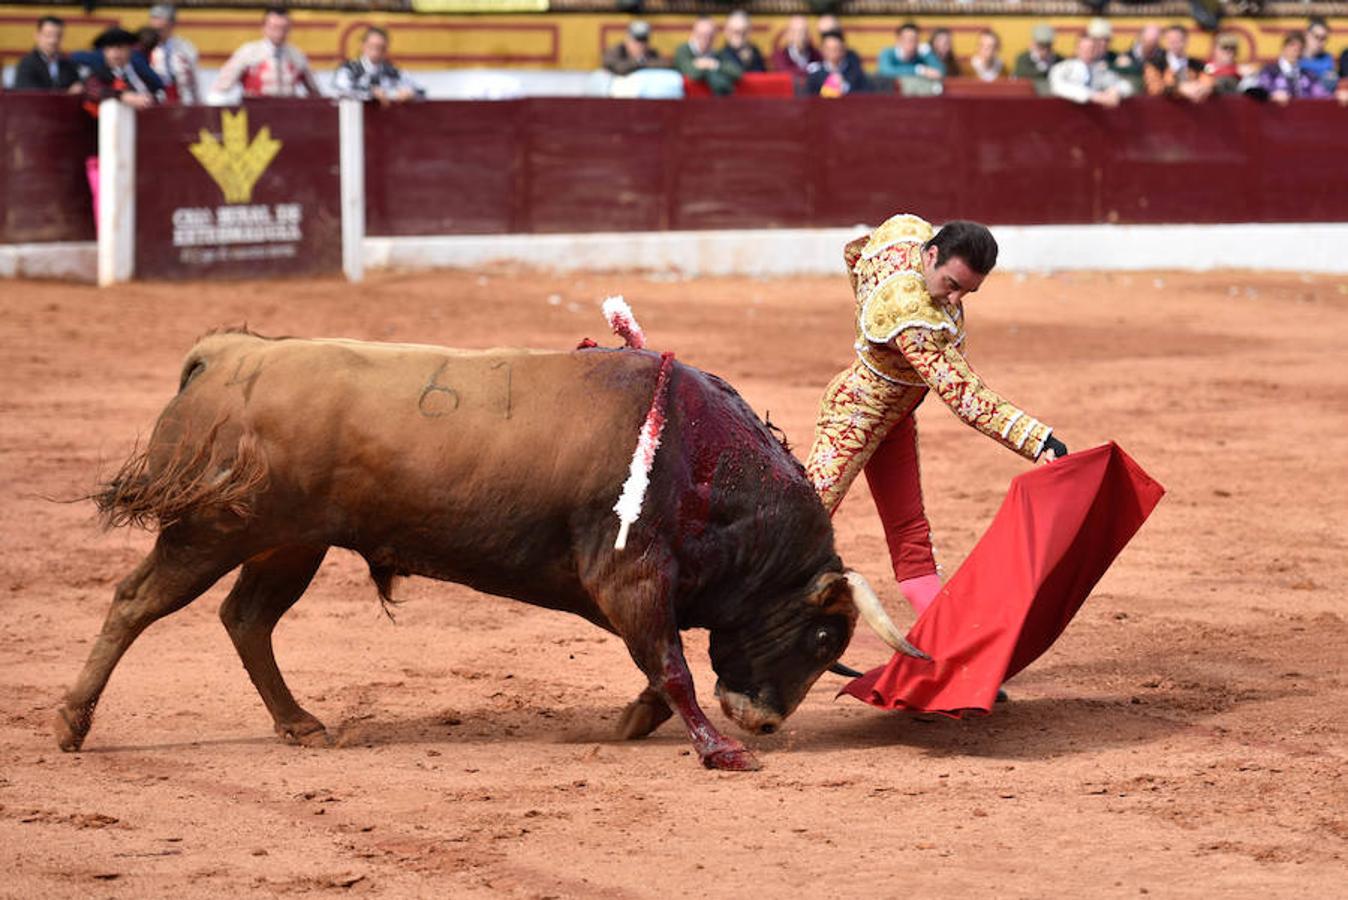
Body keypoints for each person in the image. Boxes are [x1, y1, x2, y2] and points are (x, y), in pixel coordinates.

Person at [804, 213, 1067, 622]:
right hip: (853, 417)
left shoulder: (905, 233)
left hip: (895, 416)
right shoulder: (913, 317)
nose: (955, 300)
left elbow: (856, 253)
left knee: (910, 531)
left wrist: (869, 331)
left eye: (968, 292)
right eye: (952, 284)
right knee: (803, 522)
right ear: (931, 255)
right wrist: (1038, 440)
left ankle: (943, 638)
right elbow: (964, 396)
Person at [213, 7, 322, 99]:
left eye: (284, 28)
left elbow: (315, 92)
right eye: (274, 27)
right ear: (264, 28)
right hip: (256, 111)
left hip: (289, 111)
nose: (279, 33)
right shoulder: (248, 52)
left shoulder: (296, 55)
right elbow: (221, 88)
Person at [333, 26, 423, 103]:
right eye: (371, 47)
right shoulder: (349, 69)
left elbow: (421, 92)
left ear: (386, 49)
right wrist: (371, 93)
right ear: (363, 46)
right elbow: (341, 91)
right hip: (356, 116)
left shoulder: (393, 72)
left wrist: (411, 94)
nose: (376, 52)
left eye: (380, 48)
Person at [80, 26, 157, 114]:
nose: (116, 52)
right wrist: (122, 96)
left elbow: (156, 88)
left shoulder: (138, 70)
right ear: (105, 51)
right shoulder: (98, 72)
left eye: (121, 47)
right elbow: (93, 90)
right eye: (111, 47)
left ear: (130, 50)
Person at [1048, 33, 1134, 107]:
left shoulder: (1100, 70)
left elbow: (1126, 86)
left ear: (1097, 50)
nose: (1088, 52)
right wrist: (1093, 96)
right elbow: (1058, 86)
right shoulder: (1062, 68)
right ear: (1076, 49)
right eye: (1084, 48)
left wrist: (1116, 91)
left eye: (1092, 48)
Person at [1252, 31, 1331, 104]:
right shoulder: (1269, 71)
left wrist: (1335, 96)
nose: (1295, 49)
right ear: (1283, 47)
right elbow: (1258, 91)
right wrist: (1271, 95)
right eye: (1292, 45)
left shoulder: (1308, 75)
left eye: (1300, 47)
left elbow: (1323, 95)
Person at [146, 4, 200, 104]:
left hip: (181, 99)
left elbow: (194, 81)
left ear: (172, 24)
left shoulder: (185, 47)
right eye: (154, 19)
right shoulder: (144, 48)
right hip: (153, 100)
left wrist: (198, 104)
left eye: (161, 20)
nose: (157, 25)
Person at [12, 15, 82, 93]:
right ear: (37, 36)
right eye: (48, 35)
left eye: (58, 36)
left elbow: (77, 85)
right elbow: (28, 93)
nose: (53, 40)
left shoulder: (68, 64)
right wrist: (66, 93)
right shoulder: (27, 64)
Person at [1144, 24, 1213, 102]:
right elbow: (1154, 88)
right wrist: (1179, 89)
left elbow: (1209, 82)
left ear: (1186, 40)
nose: (1174, 43)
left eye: (1178, 39)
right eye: (1170, 40)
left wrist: (1202, 89)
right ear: (1165, 41)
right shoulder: (1155, 64)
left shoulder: (1198, 64)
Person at [674, 16, 741, 96]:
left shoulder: (717, 54)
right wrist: (712, 70)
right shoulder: (683, 50)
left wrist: (713, 64)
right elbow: (690, 73)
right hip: (686, 99)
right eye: (702, 35)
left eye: (710, 35)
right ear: (694, 34)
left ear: (715, 36)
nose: (706, 39)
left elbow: (736, 73)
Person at [805, 29, 868, 97]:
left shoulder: (855, 73)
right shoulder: (815, 75)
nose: (833, 53)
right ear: (823, 50)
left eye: (836, 49)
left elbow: (865, 94)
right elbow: (809, 98)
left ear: (843, 50)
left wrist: (845, 87)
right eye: (829, 49)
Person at [877, 22, 943, 81]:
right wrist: (919, 70)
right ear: (899, 40)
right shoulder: (888, 53)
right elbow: (886, 71)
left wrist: (928, 53)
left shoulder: (921, 55)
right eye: (909, 39)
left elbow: (940, 72)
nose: (913, 43)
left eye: (916, 40)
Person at [1013, 23, 1062, 90]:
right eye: (1041, 45)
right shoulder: (1023, 58)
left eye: (1047, 46)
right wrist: (1044, 66)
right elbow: (1023, 74)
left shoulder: (1058, 59)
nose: (1045, 50)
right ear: (1032, 44)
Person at [719, 10, 765, 74]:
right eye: (735, 31)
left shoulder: (755, 53)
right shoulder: (720, 56)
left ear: (749, 32)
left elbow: (761, 75)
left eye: (743, 32)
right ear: (726, 31)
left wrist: (749, 61)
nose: (739, 36)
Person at [1301, 17, 1337, 93]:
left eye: (1324, 38)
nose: (1320, 42)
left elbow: (1329, 88)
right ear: (1306, 35)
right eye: (1316, 37)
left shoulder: (1327, 59)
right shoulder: (1295, 57)